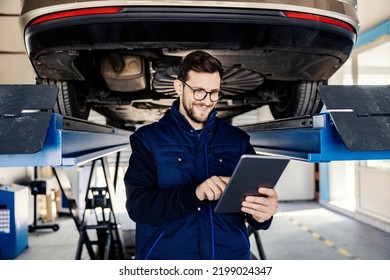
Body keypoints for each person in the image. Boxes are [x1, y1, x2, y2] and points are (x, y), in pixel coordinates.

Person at [124, 50, 279, 260]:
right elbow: (138, 207)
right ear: (179, 87)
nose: (207, 101)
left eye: (214, 92)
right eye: (199, 91)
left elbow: (254, 205)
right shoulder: (148, 140)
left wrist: (264, 213)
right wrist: (194, 194)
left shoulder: (237, 140)